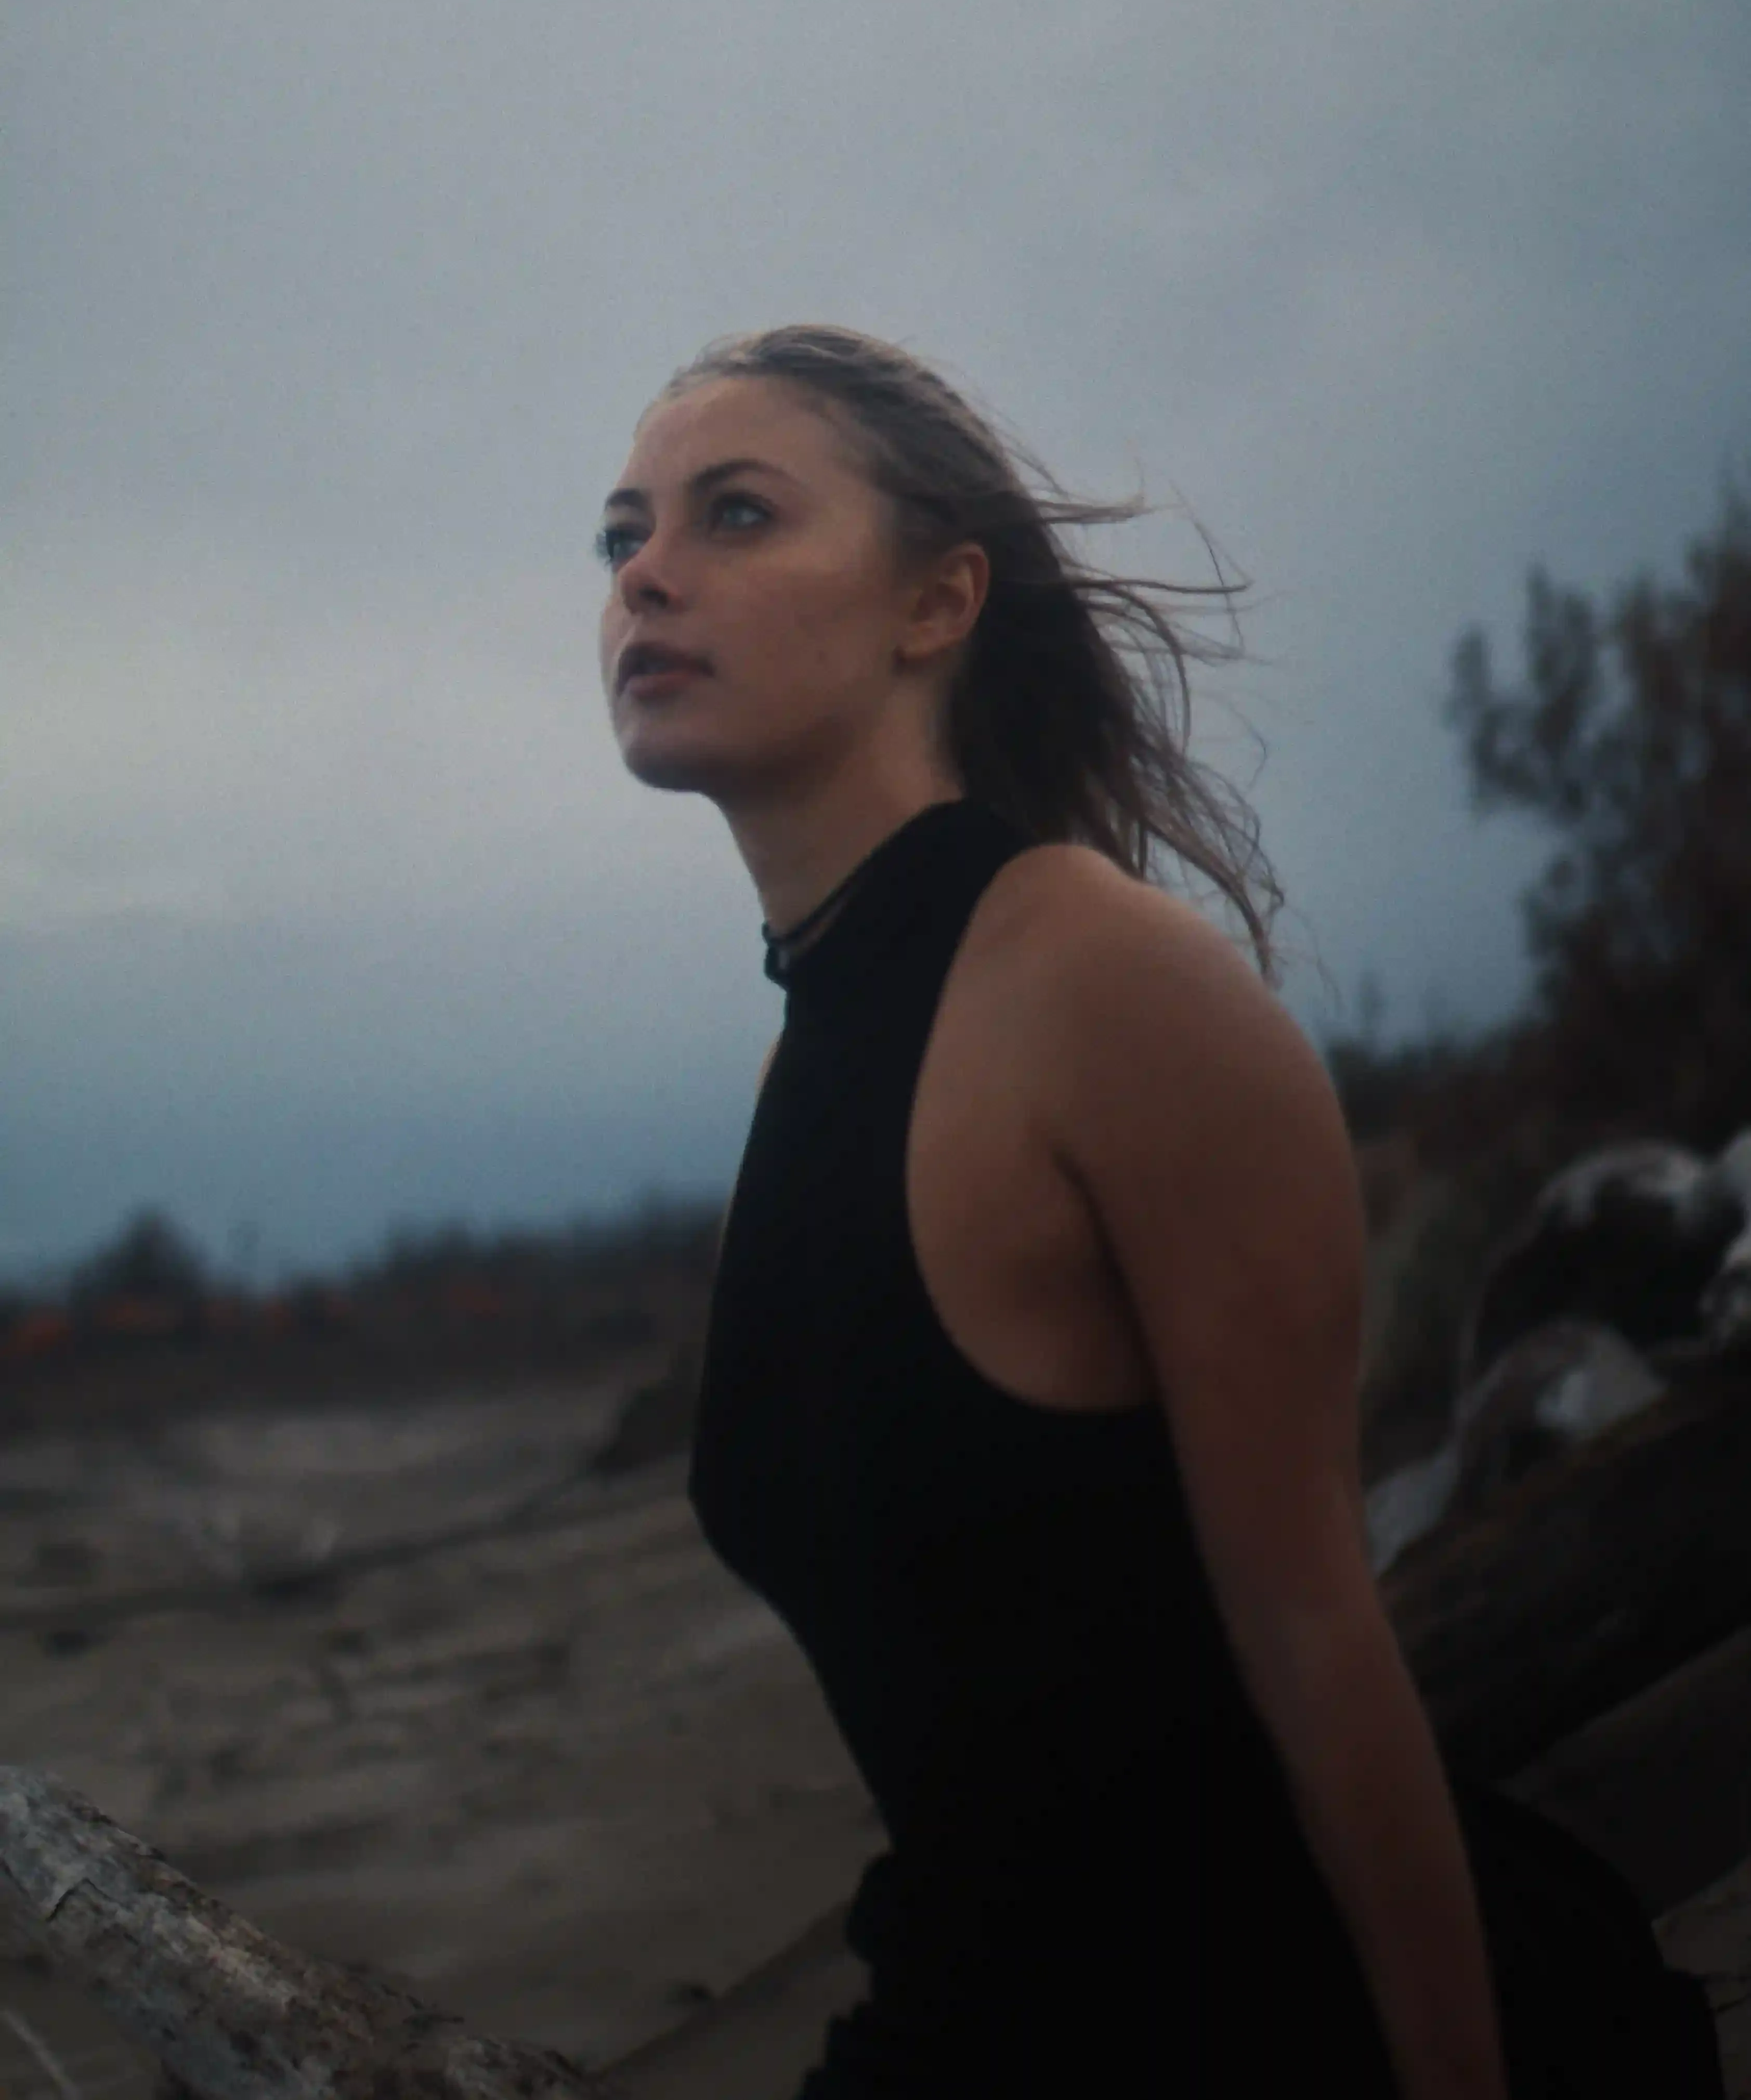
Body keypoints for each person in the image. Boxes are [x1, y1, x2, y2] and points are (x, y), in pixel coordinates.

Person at [595, 323, 1722, 2097]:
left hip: (1268, 2033)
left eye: (734, 515)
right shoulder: (801, 1063)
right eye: (623, 535)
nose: (646, 576)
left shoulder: (1108, 986)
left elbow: (1316, 1631)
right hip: (970, 2023)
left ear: (937, 603)